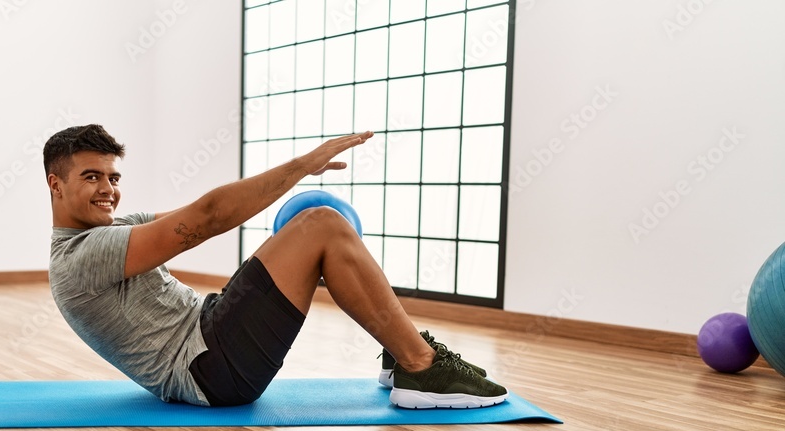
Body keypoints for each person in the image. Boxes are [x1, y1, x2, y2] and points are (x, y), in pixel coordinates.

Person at [45, 124, 508, 409]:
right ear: (56, 184)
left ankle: (398, 355)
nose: (108, 188)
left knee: (313, 230)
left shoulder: (111, 231)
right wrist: (302, 165)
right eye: (91, 177)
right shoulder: (81, 257)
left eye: (112, 177)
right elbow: (207, 218)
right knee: (322, 224)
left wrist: (284, 218)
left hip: (211, 333)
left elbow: (196, 212)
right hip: (211, 369)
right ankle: (421, 367)